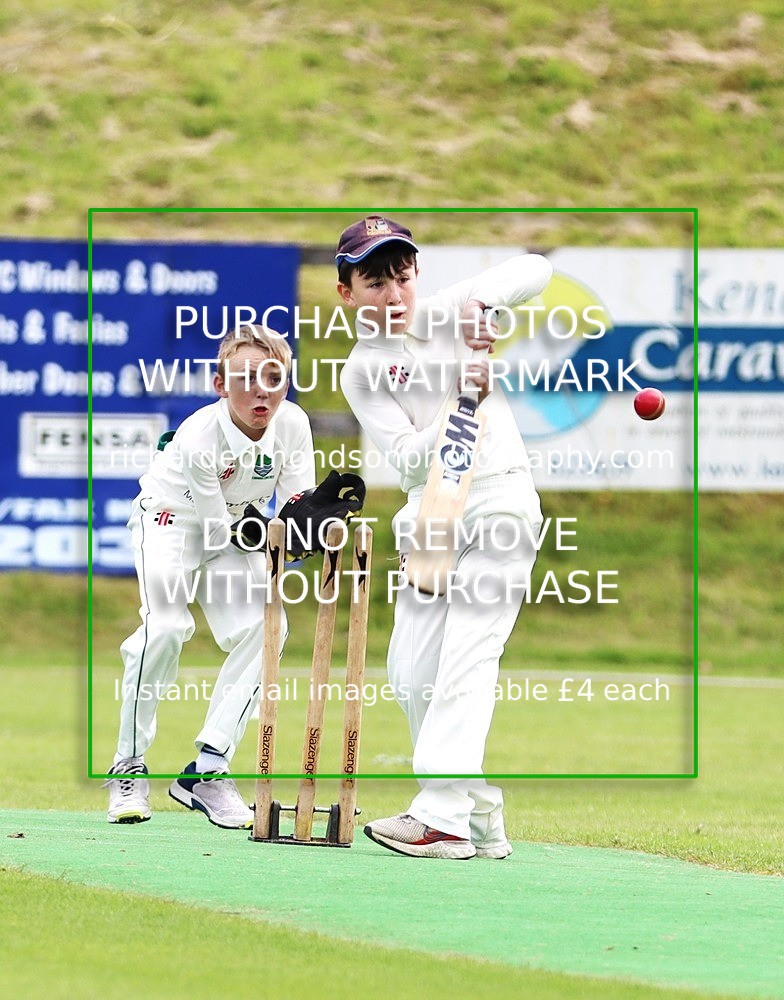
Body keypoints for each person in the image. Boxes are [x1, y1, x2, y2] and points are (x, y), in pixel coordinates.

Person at [337, 216, 552, 859]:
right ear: (346, 291)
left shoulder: (450, 312)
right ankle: (478, 806)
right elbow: (404, 459)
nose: (393, 293)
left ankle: (443, 816)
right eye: (375, 281)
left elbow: (535, 268)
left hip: (499, 502)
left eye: (401, 276)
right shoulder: (359, 373)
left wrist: (484, 310)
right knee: (410, 673)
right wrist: (461, 394)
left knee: (468, 652)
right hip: (430, 515)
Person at [106, 323, 364, 828]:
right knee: (165, 628)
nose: (260, 390)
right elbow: (218, 527)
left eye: (273, 376)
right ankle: (128, 766)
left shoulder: (292, 424)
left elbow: (294, 505)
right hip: (172, 519)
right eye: (245, 377)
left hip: (235, 520)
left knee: (267, 628)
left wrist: (306, 530)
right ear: (221, 383)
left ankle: (207, 769)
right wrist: (270, 534)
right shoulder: (200, 435)